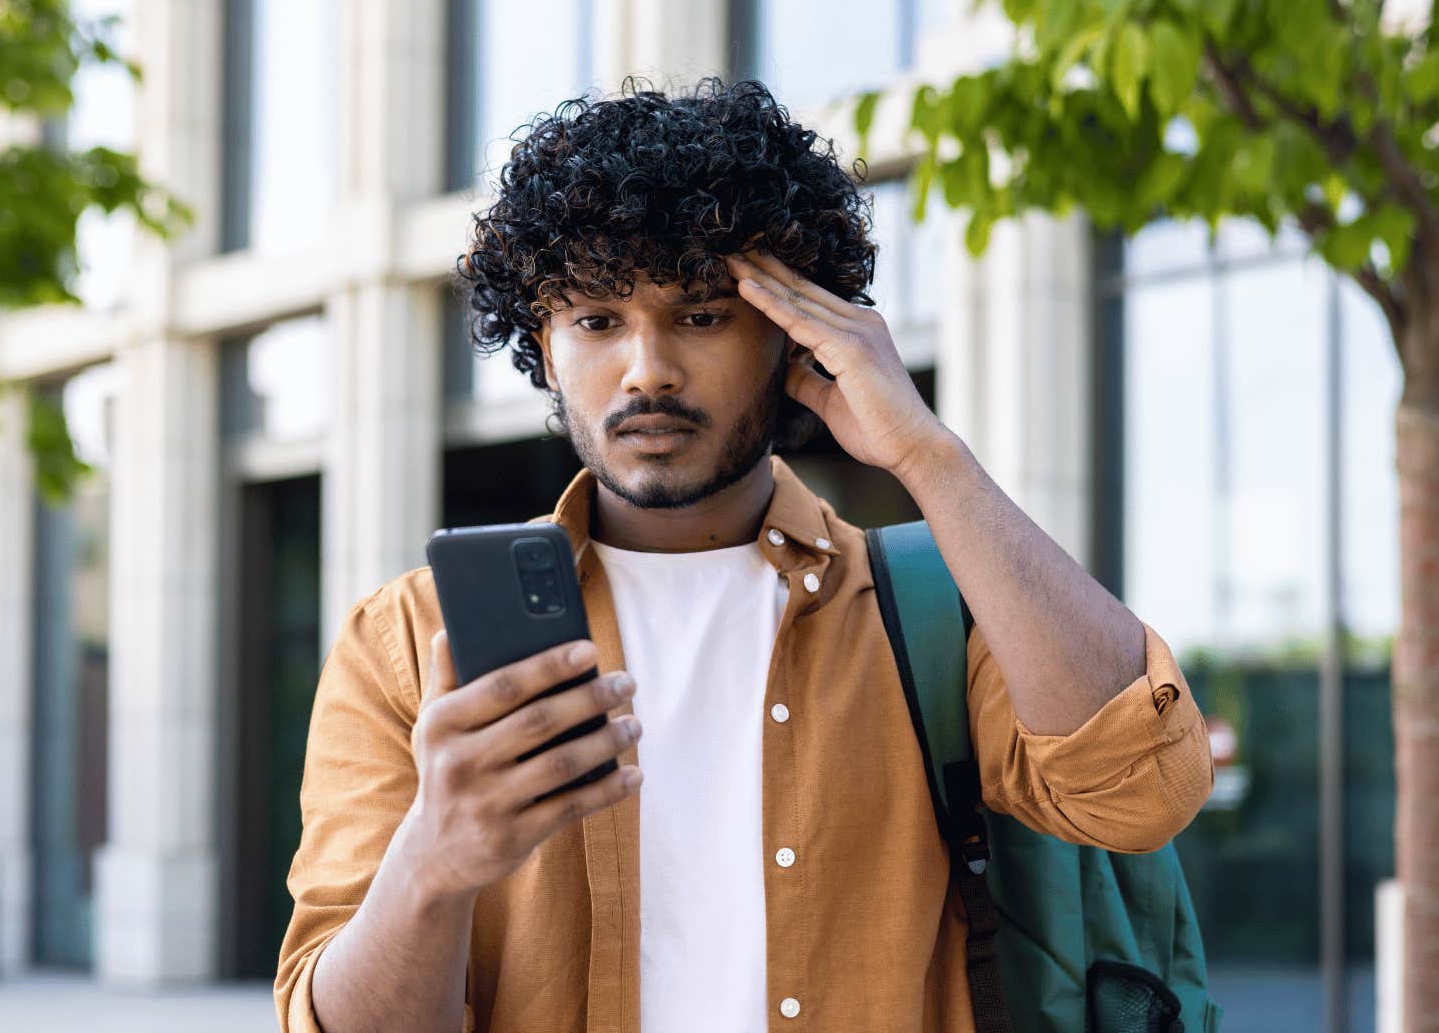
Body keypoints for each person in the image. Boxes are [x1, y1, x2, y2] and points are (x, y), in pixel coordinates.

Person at [275, 77, 1213, 1033]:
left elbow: (1143, 792)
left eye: (702, 315)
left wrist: (929, 457)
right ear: (545, 348)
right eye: (597, 320)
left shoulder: (941, 608)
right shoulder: (408, 642)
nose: (647, 369)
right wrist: (433, 863)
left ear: (793, 338)